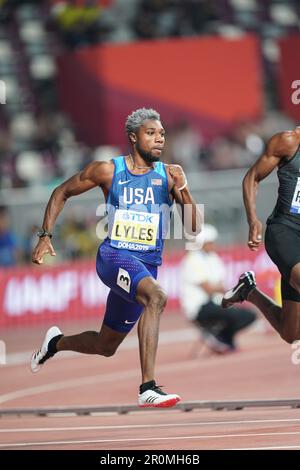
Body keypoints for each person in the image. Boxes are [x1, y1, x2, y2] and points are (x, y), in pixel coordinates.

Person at [31, 108, 201, 408]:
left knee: (106, 345)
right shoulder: (108, 171)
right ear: (133, 137)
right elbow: (61, 192)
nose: (159, 139)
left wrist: (184, 189)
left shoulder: (169, 175)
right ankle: (147, 387)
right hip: (114, 256)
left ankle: (55, 343)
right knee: (157, 297)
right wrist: (45, 236)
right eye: (151, 133)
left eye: (162, 134)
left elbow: (194, 228)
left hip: (146, 265)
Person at [222, 126, 300, 345]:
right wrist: (252, 219)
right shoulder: (288, 141)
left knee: (291, 332)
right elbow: (252, 177)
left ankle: (248, 291)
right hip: (285, 231)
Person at [180, 224, 256, 353]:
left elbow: (220, 286)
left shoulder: (213, 258)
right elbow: (209, 289)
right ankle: (219, 337)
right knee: (231, 313)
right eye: (210, 242)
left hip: (216, 301)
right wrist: (218, 288)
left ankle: (221, 337)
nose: (213, 245)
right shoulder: (192, 260)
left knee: (248, 315)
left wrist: (218, 288)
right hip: (199, 307)